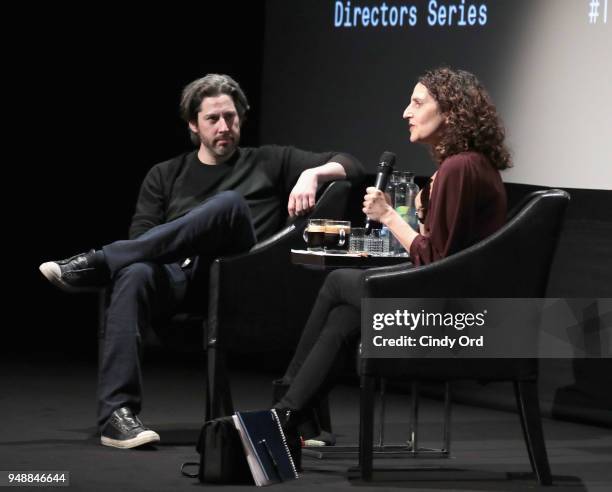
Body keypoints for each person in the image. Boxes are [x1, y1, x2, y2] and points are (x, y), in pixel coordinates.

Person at [39, 74, 363, 449]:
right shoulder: (164, 175)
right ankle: (117, 416)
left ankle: (97, 262)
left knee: (228, 204)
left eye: (231, 117)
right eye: (213, 119)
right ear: (193, 124)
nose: (224, 127)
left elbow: (352, 165)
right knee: (133, 272)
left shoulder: (268, 160)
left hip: (240, 278)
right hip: (182, 282)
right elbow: (142, 242)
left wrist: (313, 173)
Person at [271, 67, 511, 466]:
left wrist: (389, 216)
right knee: (346, 320)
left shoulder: (459, 168)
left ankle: (284, 401)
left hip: (455, 318)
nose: (405, 112)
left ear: (450, 111)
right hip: (453, 303)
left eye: (417, 103)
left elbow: (437, 263)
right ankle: (288, 416)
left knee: (337, 284)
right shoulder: (469, 165)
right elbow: (439, 254)